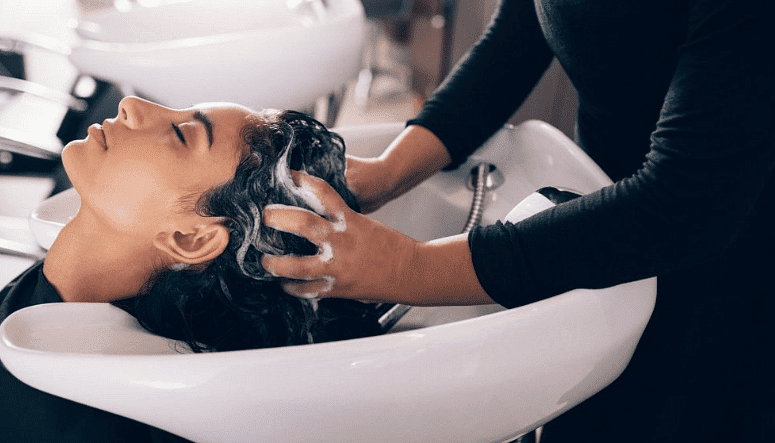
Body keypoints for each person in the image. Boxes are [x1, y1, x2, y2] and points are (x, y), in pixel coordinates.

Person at [261, 0, 775, 441]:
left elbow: (685, 206)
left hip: (733, 259)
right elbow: (518, 36)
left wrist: (408, 266)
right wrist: (387, 173)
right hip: (599, 217)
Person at [1, 96, 382, 441]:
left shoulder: (77, 415)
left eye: (181, 135)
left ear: (192, 240)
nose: (132, 105)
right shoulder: (51, 309)